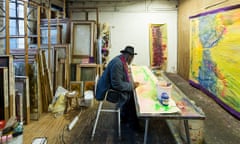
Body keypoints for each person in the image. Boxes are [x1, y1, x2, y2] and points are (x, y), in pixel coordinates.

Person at [96, 45, 141, 131]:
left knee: (131, 92)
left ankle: (125, 118)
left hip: (108, 86)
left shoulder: (120, 60)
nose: (132, 59)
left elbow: (119, 77)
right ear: (129, 56)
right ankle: (133, 124)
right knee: (133, 97)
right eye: (132, 57)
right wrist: (132, 85)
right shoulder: (118, 64)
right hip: (107, 91)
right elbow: (117, 85)